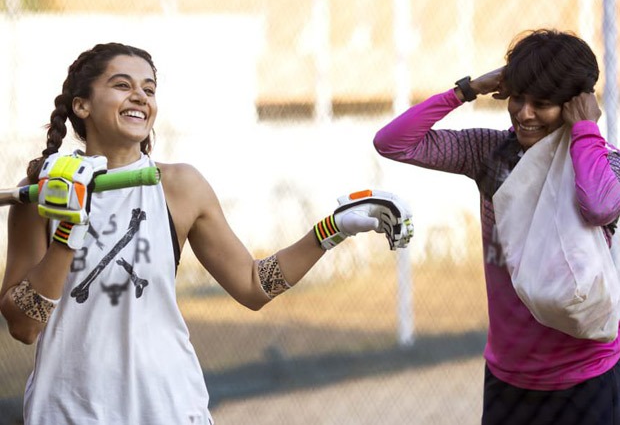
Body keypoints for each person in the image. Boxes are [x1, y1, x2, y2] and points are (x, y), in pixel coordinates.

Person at [0, 42, 413, 425]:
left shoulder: (179, 186)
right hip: (69, 411)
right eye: (122, 85)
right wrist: (69, 225)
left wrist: (330, 229)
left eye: (149, 88)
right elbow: (23, 327)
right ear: (82, 105)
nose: (140, 97)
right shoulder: (42, 192)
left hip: (169, 408)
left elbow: (253, 285)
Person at [373, 28, 620, 425]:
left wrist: (585, 130)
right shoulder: (490, 153)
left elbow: (599, 205)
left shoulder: (600, 162)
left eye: (543, 104)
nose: (525, 113)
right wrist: (467, 89)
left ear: (575, 104)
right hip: (510, 376)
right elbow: (393, 142)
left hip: (585, 375)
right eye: (519, 97)